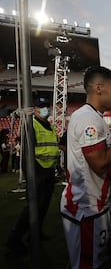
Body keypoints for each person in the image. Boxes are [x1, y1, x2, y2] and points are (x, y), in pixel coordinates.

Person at [60, 65, 111, 269]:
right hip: (87, 209)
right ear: (98, 88)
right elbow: (100, 164)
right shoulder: (88, 119)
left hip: (93, 206)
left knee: (100, 259)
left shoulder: (92, 116)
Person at [6, 97, 60, 253]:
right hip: (37, 171)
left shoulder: (48, 125)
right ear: (35, 109)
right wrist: (30, 175)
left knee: (44, 205)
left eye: (47, 106)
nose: (46, 109)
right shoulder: (31, 125)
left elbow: (51, 147)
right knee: (33, 207)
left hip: (49, 171)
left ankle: (34, 233)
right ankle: (15, 239)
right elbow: (26, 153)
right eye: (42, 106)